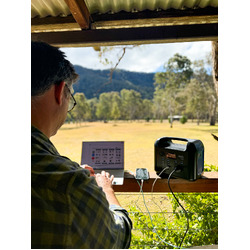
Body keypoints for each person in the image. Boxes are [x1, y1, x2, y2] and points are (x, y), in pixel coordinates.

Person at [31, 41, 132, 248]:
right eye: (71, 98)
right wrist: (105, 189)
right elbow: (117, 239)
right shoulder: (71, 187)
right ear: (60, 92)